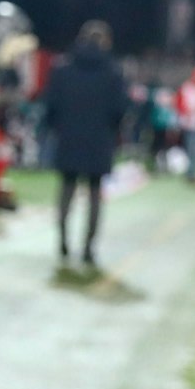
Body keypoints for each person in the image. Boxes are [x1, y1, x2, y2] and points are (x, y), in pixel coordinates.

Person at [43, 21, 128, 270]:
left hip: (69, 139)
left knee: (66, 192)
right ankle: (89, 248)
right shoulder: (113, 71)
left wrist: (60, 129)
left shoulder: (63, 68)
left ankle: (63, 241)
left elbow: (50, 106)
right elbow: (120, 110)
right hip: (99, 142)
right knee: (94, 196)